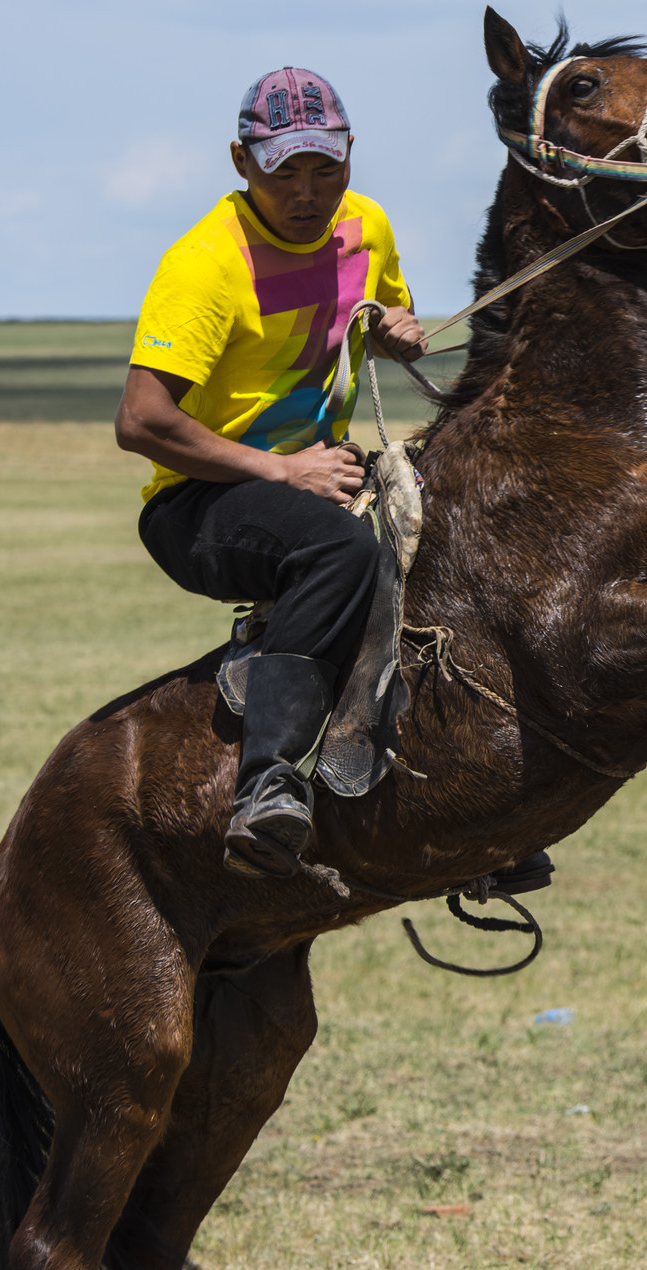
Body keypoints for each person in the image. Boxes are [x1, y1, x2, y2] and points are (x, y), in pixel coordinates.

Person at [115, 67, 426, 879]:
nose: (309, 190)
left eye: (327, 168)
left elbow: (384, 315)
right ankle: (268, 789)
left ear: (351, 156)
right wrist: (280, 472)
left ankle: (455, 796)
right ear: (241, 161)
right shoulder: (206, 265)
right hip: (197, 503)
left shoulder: (368, 228)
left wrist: (396, 332)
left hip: (315, 476)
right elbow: (140, 422)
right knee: (342, 553)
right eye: (285, 169)